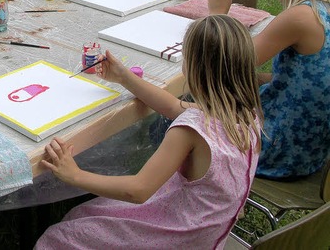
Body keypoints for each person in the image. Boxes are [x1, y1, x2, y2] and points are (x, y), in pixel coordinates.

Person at [35, 15, 262, 249]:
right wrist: (124, 77)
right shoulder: (247, 116)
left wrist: (75, 175)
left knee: (60, 237)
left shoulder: (192, 129)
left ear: (194, 68)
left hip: (177, 237)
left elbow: (138, 190)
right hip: (206, 234)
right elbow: (173, 106)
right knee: (86, 213)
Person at [209, 0, 330, 179]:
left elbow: (234, 61)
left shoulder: (301, 16)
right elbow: (303, 80)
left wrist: (219, 17)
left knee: (179, 114)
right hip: (311, 150)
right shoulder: (324, 11)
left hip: (277, 148)